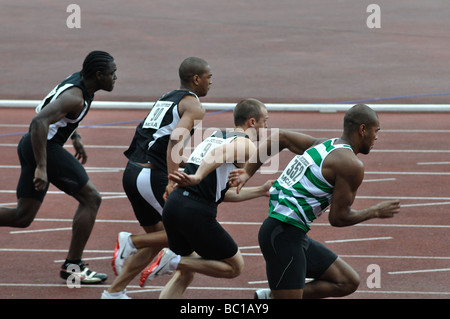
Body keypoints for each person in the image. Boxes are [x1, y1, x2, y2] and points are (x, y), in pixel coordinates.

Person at [229, 103, 401, 299]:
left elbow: (281, 137)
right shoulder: (350, 165)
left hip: (289, 233)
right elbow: (338, 218)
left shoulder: (324, 145)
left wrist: (247, 173)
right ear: (363, 129)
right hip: (284, 234)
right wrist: (375, 211)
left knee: (346, 281)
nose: (376, 137)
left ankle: (273, 296)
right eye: (375, 131)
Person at [0, 51, 117, 284]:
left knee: (22, 217)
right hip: (44, 148)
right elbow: (39, 121)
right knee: (91, 198)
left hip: (31, 144)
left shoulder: (80, 82)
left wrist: (75, 136)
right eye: (113, 73)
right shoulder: (76, 96)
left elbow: (59, 114)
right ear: (99, 74)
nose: (116, 77)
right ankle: (73, 267)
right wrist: (42, 167)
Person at [136, 98, 270, 299]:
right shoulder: (245, 144)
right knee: (234, 266)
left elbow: (221, 194)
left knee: (186, 273)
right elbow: (220, 153)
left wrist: (261, 190)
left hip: (176, 205)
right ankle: (171, 260)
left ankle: (174, 261)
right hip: (195, 211)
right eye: (265, 121)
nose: (267, 126)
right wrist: (198, 176)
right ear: (252, 122)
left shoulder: (216, 136)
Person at [101, 57, 211, 299]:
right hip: (151, 176)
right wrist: (172, 180)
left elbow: (157, 140)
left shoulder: (167, 97)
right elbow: (173, 140)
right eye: (208, 77)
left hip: (134, 171)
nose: (210, 82)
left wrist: (194, 165)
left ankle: (114, 292)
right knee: (183, 233)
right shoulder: (194, 106)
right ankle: (131, 241)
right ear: (196, 79)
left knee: (157, 240)